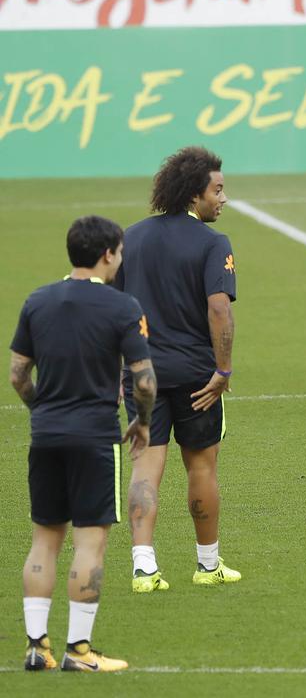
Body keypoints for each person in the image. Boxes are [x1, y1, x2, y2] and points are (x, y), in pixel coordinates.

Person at [12, 215, 156, 672]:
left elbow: (18, 375)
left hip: (47, 435)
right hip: (95, 436)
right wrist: (143, 422)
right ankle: (79, 651)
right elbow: (146, 382)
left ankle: (37, 646)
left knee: (44, 540)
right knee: (89, 544)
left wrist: (42, 411)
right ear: (107, 254)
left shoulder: (38, 300)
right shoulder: (121, 306)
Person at [117, 146, 242, 592]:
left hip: (141, 375)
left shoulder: (130, 237)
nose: (224, 198)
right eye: (218, 190)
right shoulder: (212, 244)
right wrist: (223, 372)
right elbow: (218, 310)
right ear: (195, 195)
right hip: (196, 378)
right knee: (202, 469)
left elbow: (113, 310)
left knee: (145, 470)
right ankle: (207, 565)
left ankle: (143, 568)